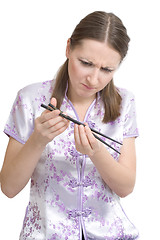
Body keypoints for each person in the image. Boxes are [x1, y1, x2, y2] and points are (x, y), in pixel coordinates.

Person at [0, 11, 139, 240]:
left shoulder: (125, 102)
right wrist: (38, 139)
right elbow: (8, 188)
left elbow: (126, 187)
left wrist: (96, 152)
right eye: (86, 63)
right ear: (68, 48)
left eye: (107, 70)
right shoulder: (30, 98)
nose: (94, 79)